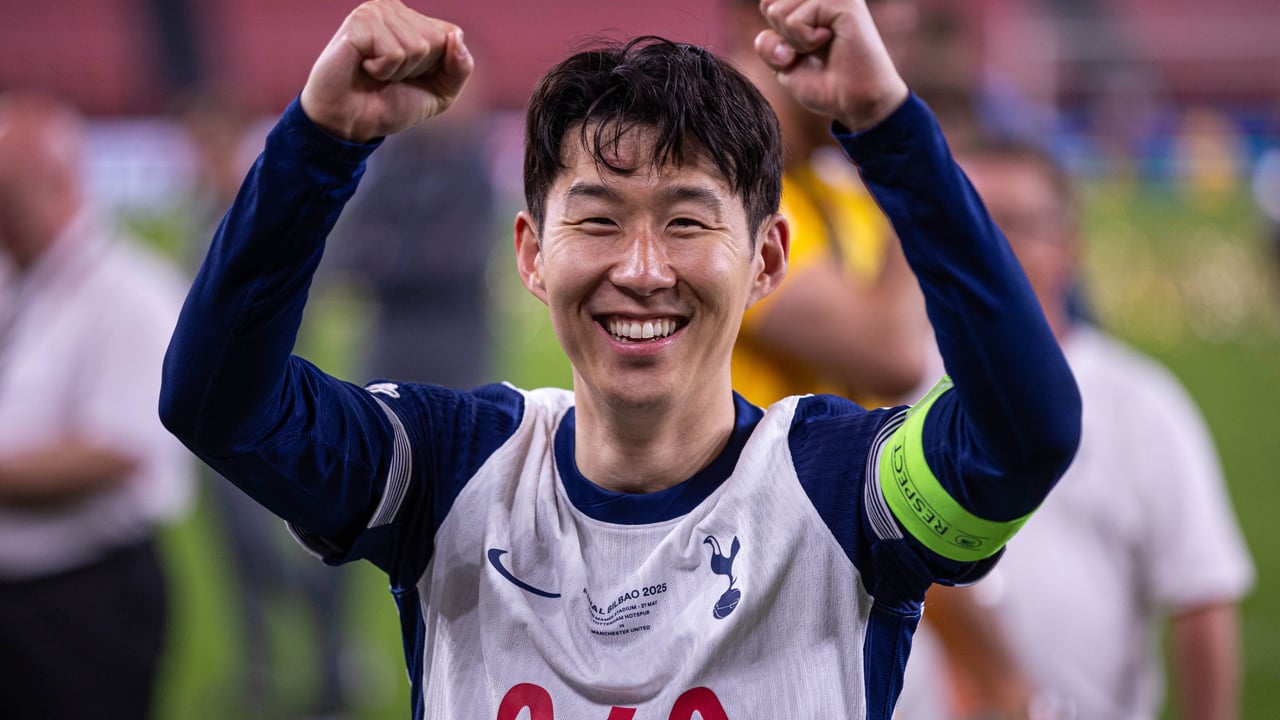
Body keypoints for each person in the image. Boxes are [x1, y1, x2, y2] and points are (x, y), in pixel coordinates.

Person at [159, 0, 1081, 717]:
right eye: (598, 220)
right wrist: (320, 142)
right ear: (532, 255)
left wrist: (888, 127)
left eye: (687, 222)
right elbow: (217, 406)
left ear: (766, 259)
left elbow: (1026, 435)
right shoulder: (450, 467)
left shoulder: (838, 488)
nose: (641, 271)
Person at [916, 139, 1255, 720]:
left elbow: (1203, 598)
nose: (987, 244)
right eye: (967, 220)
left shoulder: (1141, 403)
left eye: (1014, 223)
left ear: (1067, 244)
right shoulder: (896, 383)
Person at [0, 91, 192, 719]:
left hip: (81, 599)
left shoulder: (132, 292)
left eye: (7, 194)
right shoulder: (16, 278)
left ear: (57, 181)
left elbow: (115, 451)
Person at [723, 0, 928, 408]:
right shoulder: (720, 186)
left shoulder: (838, 187)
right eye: (860, 37)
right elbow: (893, 357)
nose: (885, 72)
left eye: (895, 43)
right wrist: (912, 164)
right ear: (761, 23)